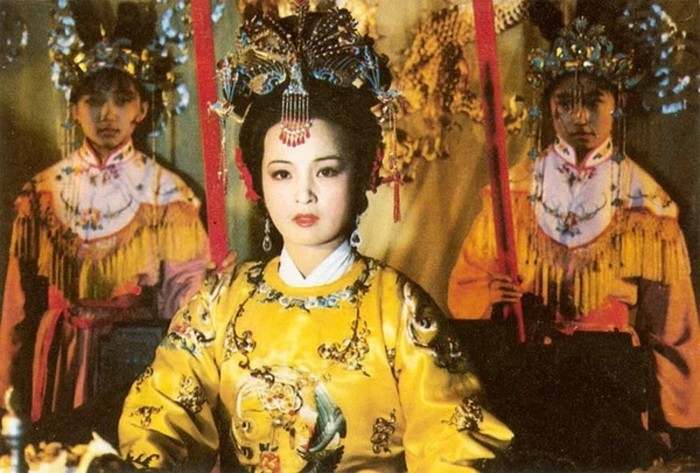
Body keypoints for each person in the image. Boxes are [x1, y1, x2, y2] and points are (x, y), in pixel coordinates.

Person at [118, 5, 512, 472]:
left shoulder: (397, 309)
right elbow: (159, 413)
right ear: (256, 182)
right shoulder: (219, 304)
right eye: (282, 173)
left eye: (326, 171)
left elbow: (456, 438)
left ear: (363, 173)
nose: (303, 194)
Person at [448, 16, 699, 465]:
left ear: (617, 104)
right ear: (550, 110)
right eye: (565, 102)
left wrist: (681, 422)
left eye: (593, 102)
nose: (579, 116)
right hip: (532, 367)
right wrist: (493, 296)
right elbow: (467, 284)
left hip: (608, 375)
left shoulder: (647, 206)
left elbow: (673, 326)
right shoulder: (516, 193)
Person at [0, 33, 209, 421]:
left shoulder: (166, 192)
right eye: (94, 101)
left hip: (133, 353)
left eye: (122, 99)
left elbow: (187, 295)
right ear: (75, 110)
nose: (107, 114)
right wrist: (6, 384)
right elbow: (17, 301)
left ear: (141, 109)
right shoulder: (43, 191)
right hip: (59, 354)